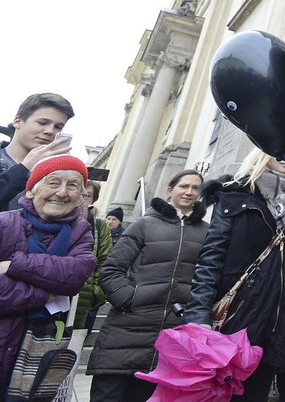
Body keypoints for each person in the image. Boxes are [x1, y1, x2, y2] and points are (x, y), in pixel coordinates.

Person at [185, 151, 285, 402]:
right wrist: (198, 315)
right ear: (261, 152)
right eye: (278, 149)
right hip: (233, 319)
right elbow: (210, 260)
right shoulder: (235, 194)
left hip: (275, 322)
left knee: (256, 393)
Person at [85, 170, 207, 402]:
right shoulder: (143, 225)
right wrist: (129, 298)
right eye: (184, 186)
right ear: (170, 190)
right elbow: (111, 270)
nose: (189, 192)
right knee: (107, 395)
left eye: (195, 188)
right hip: (126, 328)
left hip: (171, 333)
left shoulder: (206, 231)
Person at [0, 155, 97, 395]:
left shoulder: (81, 231)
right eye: (53, 182)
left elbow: (75, 277)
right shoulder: (4, 224)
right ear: (32, 190)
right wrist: (48, 292)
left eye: (72, 185)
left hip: (39, 346)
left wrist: (15, 263)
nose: (62, 192)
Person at [0, 93, 75, 209]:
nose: (50, 131)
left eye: (58, 127)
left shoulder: (55, 171)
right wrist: (24, 168)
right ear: (17, 121)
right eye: (43, 123)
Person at [74, 180, 113, 332]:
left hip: (83, 296)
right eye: (80, 193)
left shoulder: (99, 225)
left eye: (87, 195)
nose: (82, 198)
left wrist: (95, 293)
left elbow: (105, 260)